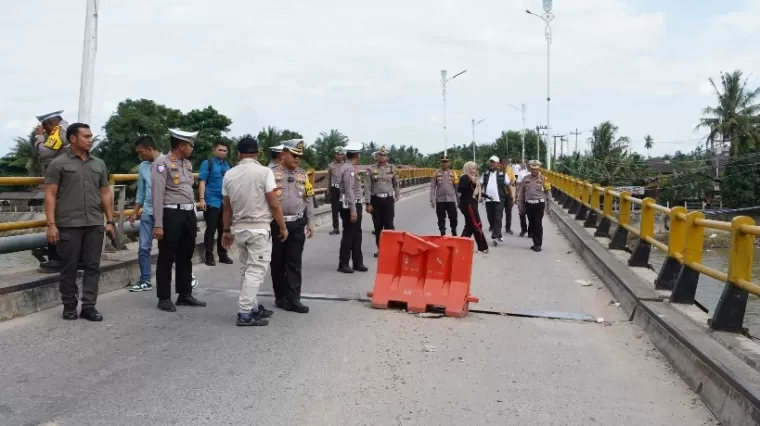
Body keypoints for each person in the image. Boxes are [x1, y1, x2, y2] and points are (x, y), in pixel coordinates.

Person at [43, 122, 115, 321]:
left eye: (91, 136)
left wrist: (110, 221)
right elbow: (50, 194)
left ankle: (89, 307)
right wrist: (51, 224)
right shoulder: (58, 164)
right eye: (86, 136)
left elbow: (105, 193)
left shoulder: (99, 164)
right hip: (68, 224)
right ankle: (69, 306)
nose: (90, 139)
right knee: (69, 267)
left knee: (93, 266)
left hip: (94, 223)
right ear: (73, 138)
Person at [221, 137, 285, 326]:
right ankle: (245, 312)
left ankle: (253, 306)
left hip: (239, 229)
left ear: (239, 154)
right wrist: (282, 226)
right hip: (259, 229)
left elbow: (226, 208)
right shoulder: (265, 172)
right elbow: (274, 204)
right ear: (257, 153)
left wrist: (226, 230)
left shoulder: (229, 175)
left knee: (246, 269)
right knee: (256, 271)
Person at [151, 129, 206, 312]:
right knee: (166, 257)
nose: (192, 148)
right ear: (181, 146)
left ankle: (185, 294)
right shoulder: (161, 164)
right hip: (171, 214)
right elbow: (157, 195)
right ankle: (164, 297)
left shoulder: (187, 164)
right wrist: (158, 224)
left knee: (186, 256)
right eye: (190, 144)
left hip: (188, 214)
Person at [270, 139, 315, 313]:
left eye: (299, 156)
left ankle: (294, 298)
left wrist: (310, 221)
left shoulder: (303, 175)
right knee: (277, 262)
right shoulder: (270, 173)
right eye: (294, 155)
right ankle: (280, 297)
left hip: (296, 223)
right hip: (276, 224)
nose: (297, 159)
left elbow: (308, 199)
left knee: (294, 262)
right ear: (283, 154)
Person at [35, 110, 70, 273]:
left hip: (63, 181)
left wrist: (39, 137)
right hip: (73, 179)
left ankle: (56, 260)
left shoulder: (59, 130)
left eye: (45, 128)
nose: (46, 131)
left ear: (50, 124)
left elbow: (46, 152)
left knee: (56, 218)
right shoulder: (70, 129)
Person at [128, 136, 161, 292]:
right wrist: (135, 212)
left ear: (149, 149)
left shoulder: (168, 162)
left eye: (141, 153)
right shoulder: (143, 166)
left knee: (170, 247)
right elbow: (141, 191)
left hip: (166, 212)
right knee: (143, 247)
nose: (140, 156)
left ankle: (186, 275)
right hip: (148, 211)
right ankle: (145, 280)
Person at [199, 141, 233, 266]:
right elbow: (202, 181)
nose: (222, 152)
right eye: (220, 150)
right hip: (212, 201)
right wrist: (202, 199)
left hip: (225, 202)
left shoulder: (229, 165)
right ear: (214, 150)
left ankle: (223, 254)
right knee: (211, 230)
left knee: (224, 229)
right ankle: (209, 255)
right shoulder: (208, 163)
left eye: (224, 150)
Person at [337, 143, 369, 273]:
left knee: (357, 234)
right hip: (351, 204)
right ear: (357, 155)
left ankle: (357, 262)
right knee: (349, 234)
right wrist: (353, 210)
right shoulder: (349, 170)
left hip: (353, 203)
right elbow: (349, 191)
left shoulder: (349, 167)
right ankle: (343, 263)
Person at [365, 145, 399, 257]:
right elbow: (367, 187)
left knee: (389, 225)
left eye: (384, 155)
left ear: (387, 157)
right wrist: (368, 203)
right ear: (377, 156)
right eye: (380, 155)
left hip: (388, 199)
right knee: (378, 226)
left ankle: (391, 249)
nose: (382, 157)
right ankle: (380, 249)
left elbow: (396, 183)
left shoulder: (392, 168)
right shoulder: (370, 169)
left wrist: (397, 195)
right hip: (376, 200)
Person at [518, 160, 552, 252]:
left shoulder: (544, 179)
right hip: (529, 204)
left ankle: (538, 244)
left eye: (536, 169)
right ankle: (534, 242)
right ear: (529, 168)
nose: (534, 171)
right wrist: (520, 206)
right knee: (532, 224)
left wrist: (549, 206)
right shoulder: (525, 179)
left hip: (539, 204)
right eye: (532, 169)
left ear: (539, 169)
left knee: (538, 224)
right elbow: (521, 194)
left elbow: (548, 193)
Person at [457, 161, 489, 253]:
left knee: (469, 226)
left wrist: (487, 196)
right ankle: (482, 247)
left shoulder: (472, 178)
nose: (475, 170)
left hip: (471, 203)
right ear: (467, 168)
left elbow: (476, 191)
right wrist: (470, 182)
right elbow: (460, 188)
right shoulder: (465, 177)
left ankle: (460, 246)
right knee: (477, 224)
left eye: (475, 168)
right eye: (473, 168)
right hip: (468, 204)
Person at [480, 156, 509, 243]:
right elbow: (480, 185)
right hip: (488, 200)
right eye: (490, 162)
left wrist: (511, 197)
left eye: (493, 162)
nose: (491, 163)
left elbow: (508, 186)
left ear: (498, 164)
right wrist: (479, 195)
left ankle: (495, 235)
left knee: (498, 218)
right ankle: (498, 234)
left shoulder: (503, 174)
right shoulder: (485, 173)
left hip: (499, 199)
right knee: (490, 218)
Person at [430, 156, 459, 236]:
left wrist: (459, 200)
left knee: (453, 217)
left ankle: (454, 231)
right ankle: (442, 233)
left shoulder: (453, 173)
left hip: (451, 200)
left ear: (449, 163)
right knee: (441, 218)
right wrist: (432, 199)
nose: (444, 163)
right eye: (443, 162)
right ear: (441, 163)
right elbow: (432, 187)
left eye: (446, 162)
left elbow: (457, 188)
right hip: (440, 200)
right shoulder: (436, 173)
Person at [327, 146, 346, 235]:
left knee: (345, 208)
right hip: (334, 189)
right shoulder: (331, 165)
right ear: (335, 155)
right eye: (337, 154)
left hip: (344, 189)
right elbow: (329, 179)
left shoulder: (346, 166)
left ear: (343, 155)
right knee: (334, 209)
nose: (339, 156)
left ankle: (346, 226)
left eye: (341, 154)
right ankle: (335, 228)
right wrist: (328, 190)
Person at [500, 158, 516, 235]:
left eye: (505, 163)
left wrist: (509, 183)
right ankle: (497, 227)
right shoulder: (498, 171)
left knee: (508, 212)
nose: (504, 165)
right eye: (502, 163)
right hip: (500, 194)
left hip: (508, 193)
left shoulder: (510, 170)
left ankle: (508, 228)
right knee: (499, 211)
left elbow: (513, 180)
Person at [515, 162, 531, 238]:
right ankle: (524, 229)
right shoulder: (522, 173)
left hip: (532, 197)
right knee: (522, 213)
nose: (530, 165)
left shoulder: (537, 173)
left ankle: (531, 231)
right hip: (522, 196)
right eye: (529, 164)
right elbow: (518, 184)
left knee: (531, 215)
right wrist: (516, 195)